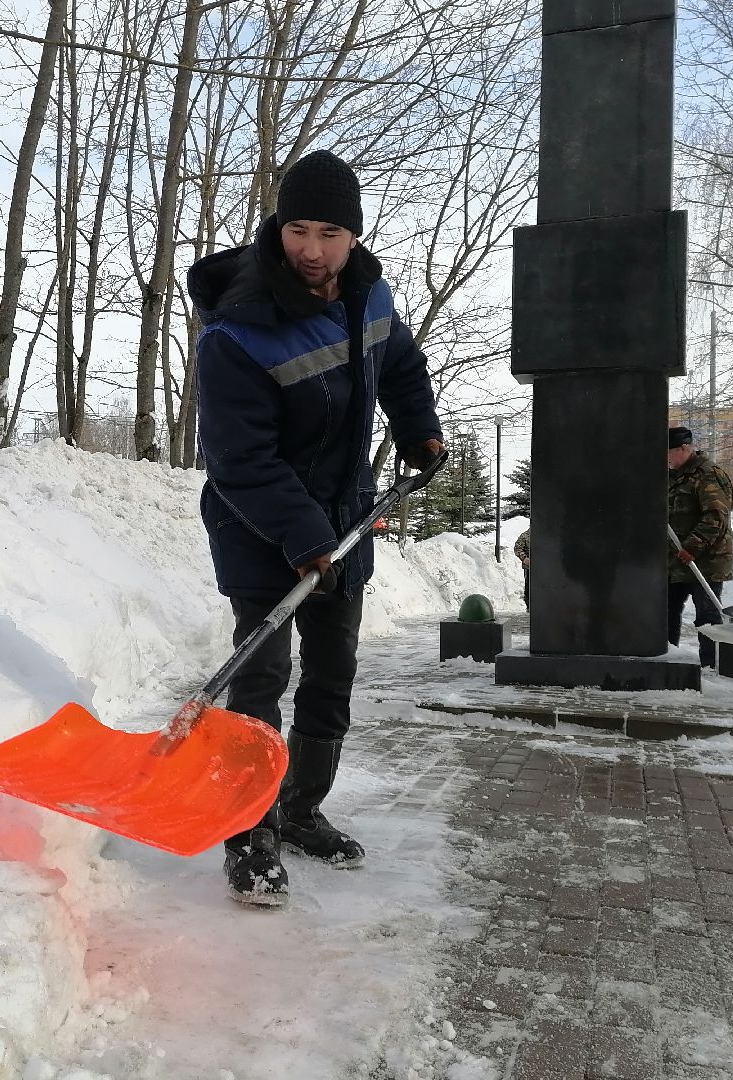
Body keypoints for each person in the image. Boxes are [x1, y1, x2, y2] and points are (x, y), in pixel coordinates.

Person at [188, 149, 444, 906]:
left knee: (332, 674)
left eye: (330, 233)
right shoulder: (238, 329)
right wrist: (304, 535)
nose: (311, 248)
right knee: (262, 679)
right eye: (298, 229)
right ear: (278, 226)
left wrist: (418, 429)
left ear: (353, 236)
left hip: (344, 518)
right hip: (259, 523)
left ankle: (301, 810)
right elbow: (240, 459)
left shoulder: (369, 296)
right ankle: (250, 831)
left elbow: (401, 365)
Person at [666, 426, 733, 668]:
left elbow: (716, 516)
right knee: (666, 611)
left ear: (684, 448)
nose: (666, 459)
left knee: (707, 616)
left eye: (669, 453)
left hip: (705, 560)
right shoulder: (672, 476)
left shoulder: (707, 474)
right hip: (675, 560)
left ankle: (712, 665)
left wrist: (693, 546)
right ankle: (667, 657)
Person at [513, 525, 531, 610]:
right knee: (529, 588)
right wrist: (524, 558)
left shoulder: (545, 535)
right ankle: (530, 608)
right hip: (529, 567)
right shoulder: (525, 535)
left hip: (545, 567)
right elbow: (517, 548)